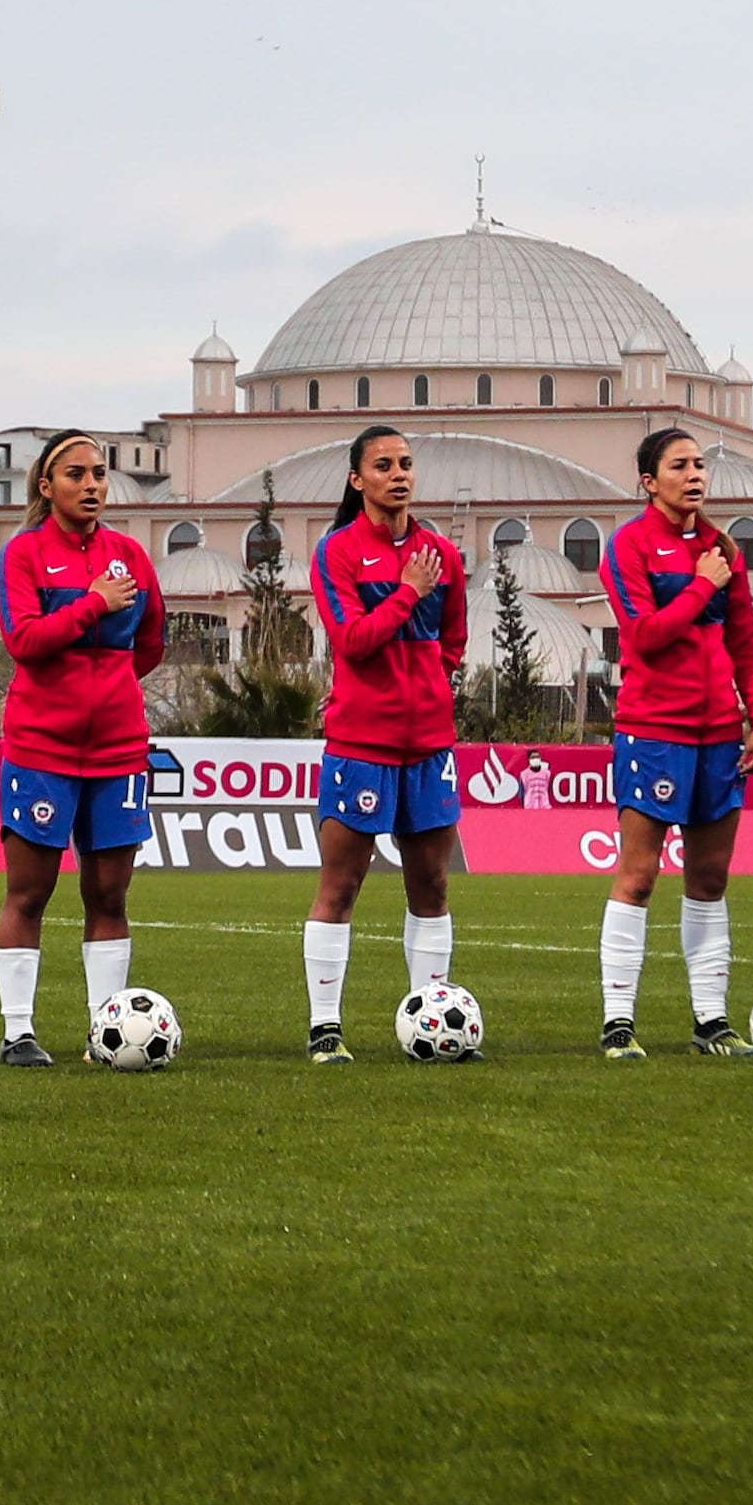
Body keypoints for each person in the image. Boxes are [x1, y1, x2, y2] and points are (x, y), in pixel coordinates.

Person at [601, 425, 753, 1062]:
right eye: (680, 464)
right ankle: (619, 1023)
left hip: (718, 737)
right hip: (653, 733)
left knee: (708, 877)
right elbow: (644, 637)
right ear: (650, 481)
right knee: (640, 875)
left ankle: (711, 1022)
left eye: (700, 463)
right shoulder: (628, 545)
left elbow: (747, 642)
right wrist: (703, 584)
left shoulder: (723, 545)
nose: (696, 473)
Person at [0, 431, 161, 1066]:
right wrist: (92, 605)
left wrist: (108, 690)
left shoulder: (131, 557)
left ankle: (105, 1033)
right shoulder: (25, 555)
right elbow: (25, 641)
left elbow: (149, 643)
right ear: (46, 486)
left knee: (110, 895)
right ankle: (17, 1032)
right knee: (29, 893)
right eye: (75, 474)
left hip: (118, 752)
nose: (91, 485)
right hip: (40, 750)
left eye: (98, 473)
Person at [303, 424, 469, 1064]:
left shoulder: (442, 556)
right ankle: (325, 1029)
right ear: (357, 479)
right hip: (361, 743)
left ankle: (431, 1023)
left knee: (431, 885)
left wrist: (426, 681)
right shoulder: (339, 552)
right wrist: (407, 592)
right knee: (341, 885)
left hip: (429, 745)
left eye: (405, 463)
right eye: (383, 465)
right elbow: (352, 641)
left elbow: (452, 643)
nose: (398, 474)